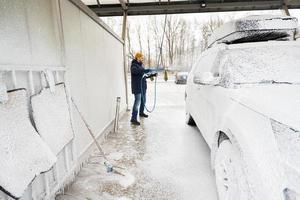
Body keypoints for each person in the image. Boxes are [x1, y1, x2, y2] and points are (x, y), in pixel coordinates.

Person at [130, 52, 157, 125]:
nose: (142, 59)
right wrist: (145, 70)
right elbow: (135, 71)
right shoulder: (134, 65)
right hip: (137, 87)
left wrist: (153, 75)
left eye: (142, 58)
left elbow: (144, 75)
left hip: (143, 87)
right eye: (141, 58)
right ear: (138, 58)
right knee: (137, 102)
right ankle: (133, 118)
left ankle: (141, 113)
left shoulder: (141, 66)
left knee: (143, 100)